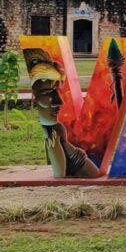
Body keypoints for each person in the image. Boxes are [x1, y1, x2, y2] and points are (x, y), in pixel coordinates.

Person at [24, 48, 100, 178]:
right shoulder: (53, 132)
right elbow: (59, 174)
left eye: (56, 91)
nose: (59, 101)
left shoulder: (57, 129)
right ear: (34, 96)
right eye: (47, 93)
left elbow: (61, 173)